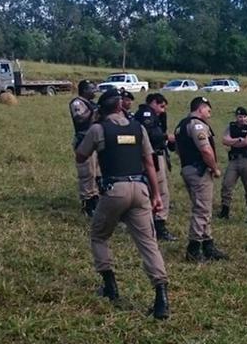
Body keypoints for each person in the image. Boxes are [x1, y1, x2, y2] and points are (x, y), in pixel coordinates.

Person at [75, 89, 170, 319]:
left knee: (99, 235)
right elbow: (149, 162)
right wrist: (156, 195)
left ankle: (110, 285)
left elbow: (80, 156)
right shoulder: (138, 128)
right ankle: (161, 297)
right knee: (148, 243)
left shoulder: (98, 129)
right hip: (140, 189)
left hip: (114, 190)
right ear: (120, 106)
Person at [174, 96, 228, 261]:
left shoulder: (181, 125)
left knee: (204, 208)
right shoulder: (197, 125)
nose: (209, 114)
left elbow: (177, 148)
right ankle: (194, 249)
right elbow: (205, 150)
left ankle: (208, 244)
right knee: (202, 210)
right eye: (208, 110)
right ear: (200, 108)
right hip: (199, 171)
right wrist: (214, 168)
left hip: (188, 168)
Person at [134, 93, 178, 241]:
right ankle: (159, 225)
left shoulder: (153, 116)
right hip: (151, 156)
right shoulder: (146, 114)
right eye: (161, 106)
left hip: (152, 155)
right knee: (161, 191)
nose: (162, 110)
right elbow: (151, 136)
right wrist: (166, 137)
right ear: (153, 102)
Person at [219, 106, 247, 223]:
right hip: (234, 160)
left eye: (244, 116)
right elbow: (224, 140)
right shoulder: (231, 126)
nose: (241, 119)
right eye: (239, 116)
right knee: (227, 184)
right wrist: (240, 140)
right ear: (236, 117)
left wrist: (234, 141)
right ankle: (225, 211)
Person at [69, 80, 101, 216]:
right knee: (87, 173)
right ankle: (87, 204)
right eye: (91, 89)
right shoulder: (77, 103)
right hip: (83, 141)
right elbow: (80, 119)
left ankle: (96, 200)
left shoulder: (92, 103)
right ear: (84, 90)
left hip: (95, 141)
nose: (94, 91)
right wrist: (94, 111)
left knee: (97, 173)